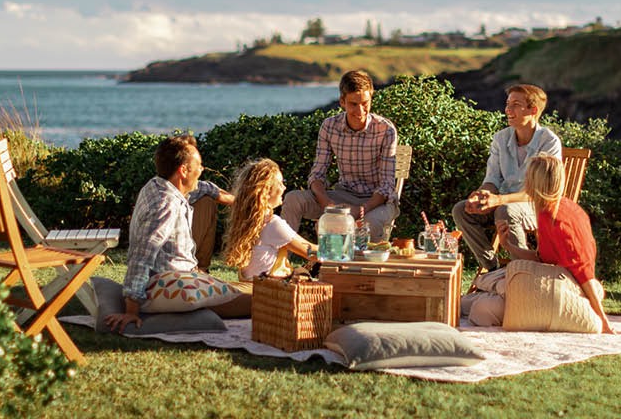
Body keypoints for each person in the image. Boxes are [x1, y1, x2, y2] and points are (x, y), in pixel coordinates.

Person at [103, 135, 247, 333]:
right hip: (173, 284)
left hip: (186, 275)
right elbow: (141, 256)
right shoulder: (166, 204)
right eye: (199, 165)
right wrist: (132, 311)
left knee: (249, 291)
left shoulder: (158, 185)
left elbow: (204, 187)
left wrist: (236, 201)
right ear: (183, 170)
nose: (201, 170)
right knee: (259, 302)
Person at [466, 155, 615, 333]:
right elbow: (541, 258)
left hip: (563, 289)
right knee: (479, 299)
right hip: (551, 281)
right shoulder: (548, 210)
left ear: (534, 183)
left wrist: (602, 320)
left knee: (481, 308)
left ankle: (478, 286)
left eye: (527, 176)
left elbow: (583, 272)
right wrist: (508, 246)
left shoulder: (557, 219)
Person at [453, 84, 562, 271]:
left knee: (506, 210)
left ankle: (523, 270)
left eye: (515, 104)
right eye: (507, 104)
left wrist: (499, 200)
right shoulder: (500, 139)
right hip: (502, 204)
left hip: (537, 207)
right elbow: (493, 179)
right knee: (462, 209)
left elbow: (538, 193)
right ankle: (493, 269)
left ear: (533, 110)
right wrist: (482, 195)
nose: (507, 110)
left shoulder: (549, 142)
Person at [281, 70, 400, 242]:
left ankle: (348, 266)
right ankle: (280, 260)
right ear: (342, 102)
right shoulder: (329, 127)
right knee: (293, 198)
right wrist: (327, 203)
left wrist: (359, 210)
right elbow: (317, 174)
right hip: (343, 195)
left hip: (377, 202)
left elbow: (387, 186)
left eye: (365, 103)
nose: (360, 111)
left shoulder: (386, 130)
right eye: (353, 104)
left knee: (368, 224)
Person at [221, 158, 318, 280]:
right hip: (270, 292)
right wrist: (343, 246)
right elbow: (312, 253)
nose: (284, 187)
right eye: (280, 183)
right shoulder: (273, 224)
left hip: (255, 288)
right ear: (266, 191)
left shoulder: (250, 222)